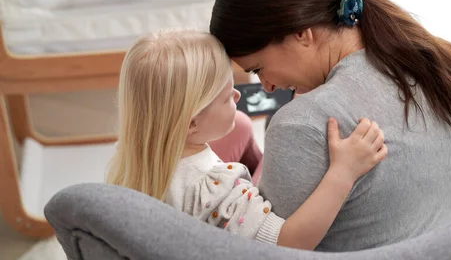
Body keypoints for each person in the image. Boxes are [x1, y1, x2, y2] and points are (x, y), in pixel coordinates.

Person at [209, 0, 451, 252]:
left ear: (301, 34)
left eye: (259, 69)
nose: (267, 87)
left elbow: (265, 251)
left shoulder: (303, 123)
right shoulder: (444, 65)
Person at [105, 29, 387, 250]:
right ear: (191, 123)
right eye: (228, 96)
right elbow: (286, 242)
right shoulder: (213, 190)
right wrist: (343, 172)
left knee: (242, 128)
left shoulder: (128, 162)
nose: (238, 96)